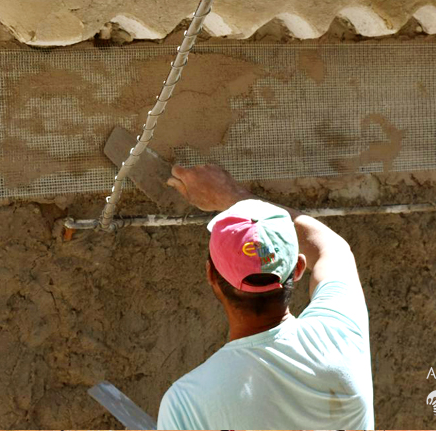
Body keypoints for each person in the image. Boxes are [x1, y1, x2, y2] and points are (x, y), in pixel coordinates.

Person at [158, 164, 374, 430]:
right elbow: (332, 247)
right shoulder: (341, 336)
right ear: (297, 268)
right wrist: (231, 195)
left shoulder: (187, 403)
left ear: (211, 276)